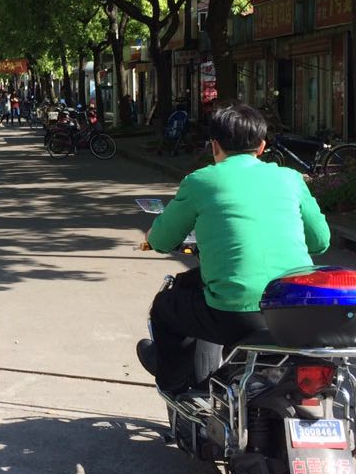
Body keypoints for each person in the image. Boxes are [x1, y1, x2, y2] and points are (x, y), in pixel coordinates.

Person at [137, 102, 331, 395]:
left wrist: (153, 236)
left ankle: (173, 384)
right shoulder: (290, 178)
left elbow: (162, 241)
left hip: (235, 315)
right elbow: (320, 241)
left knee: (166, 307)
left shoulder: (201, 181)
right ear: (262, 146)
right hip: (297, 311)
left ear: (214, 145)